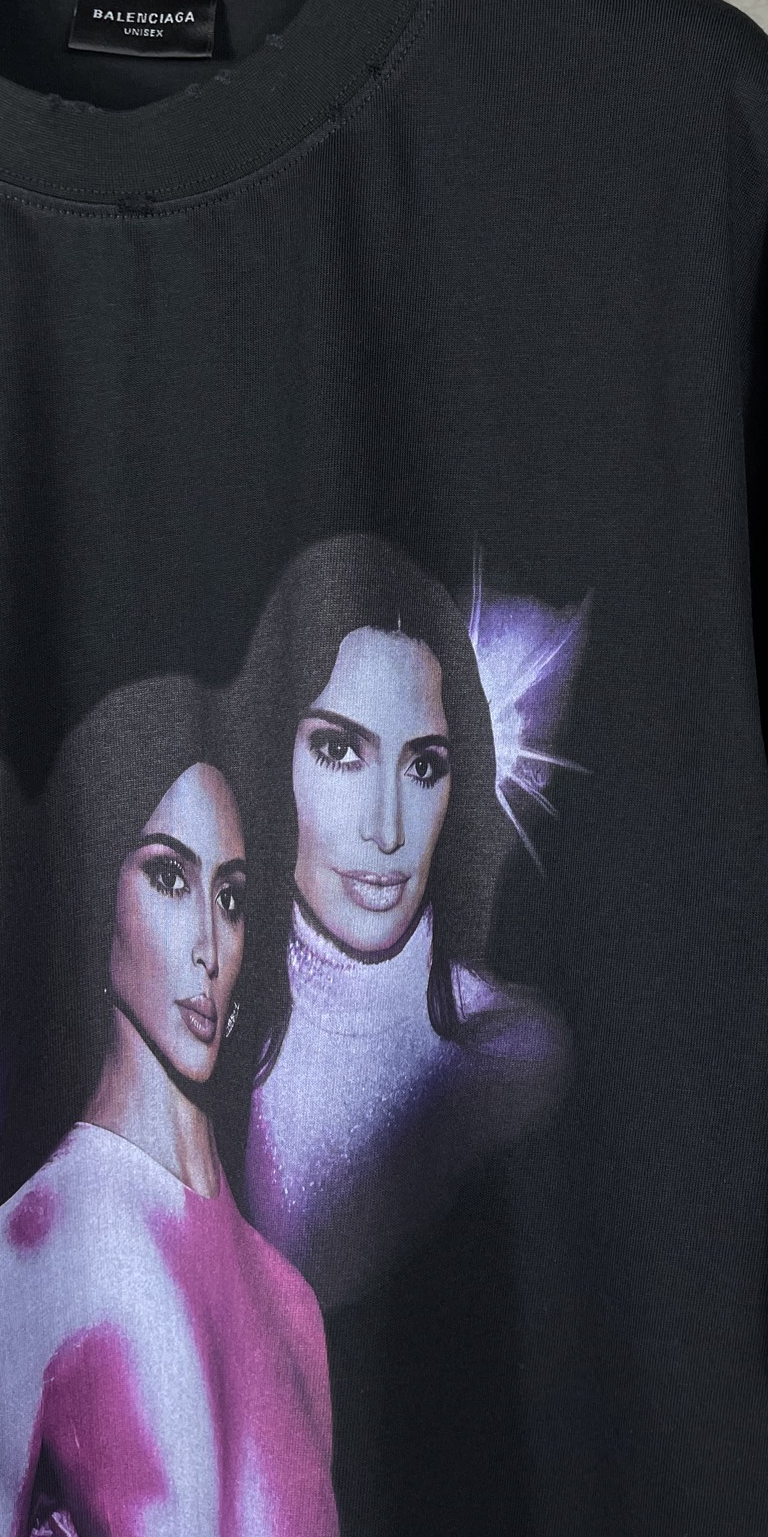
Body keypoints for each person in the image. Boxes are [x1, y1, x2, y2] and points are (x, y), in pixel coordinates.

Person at [0, 676, 338, 1537]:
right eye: (168, 876)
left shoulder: (296, 1312)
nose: (209, 944)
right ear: (97, 894)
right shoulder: (13, 1261)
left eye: (231, 897)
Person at [223, 534, 573, 1310]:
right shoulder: (194, 1023)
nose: (386, 830)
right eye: (340, 751)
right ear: (273, 754)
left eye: (423, 766)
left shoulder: (509, 1059)